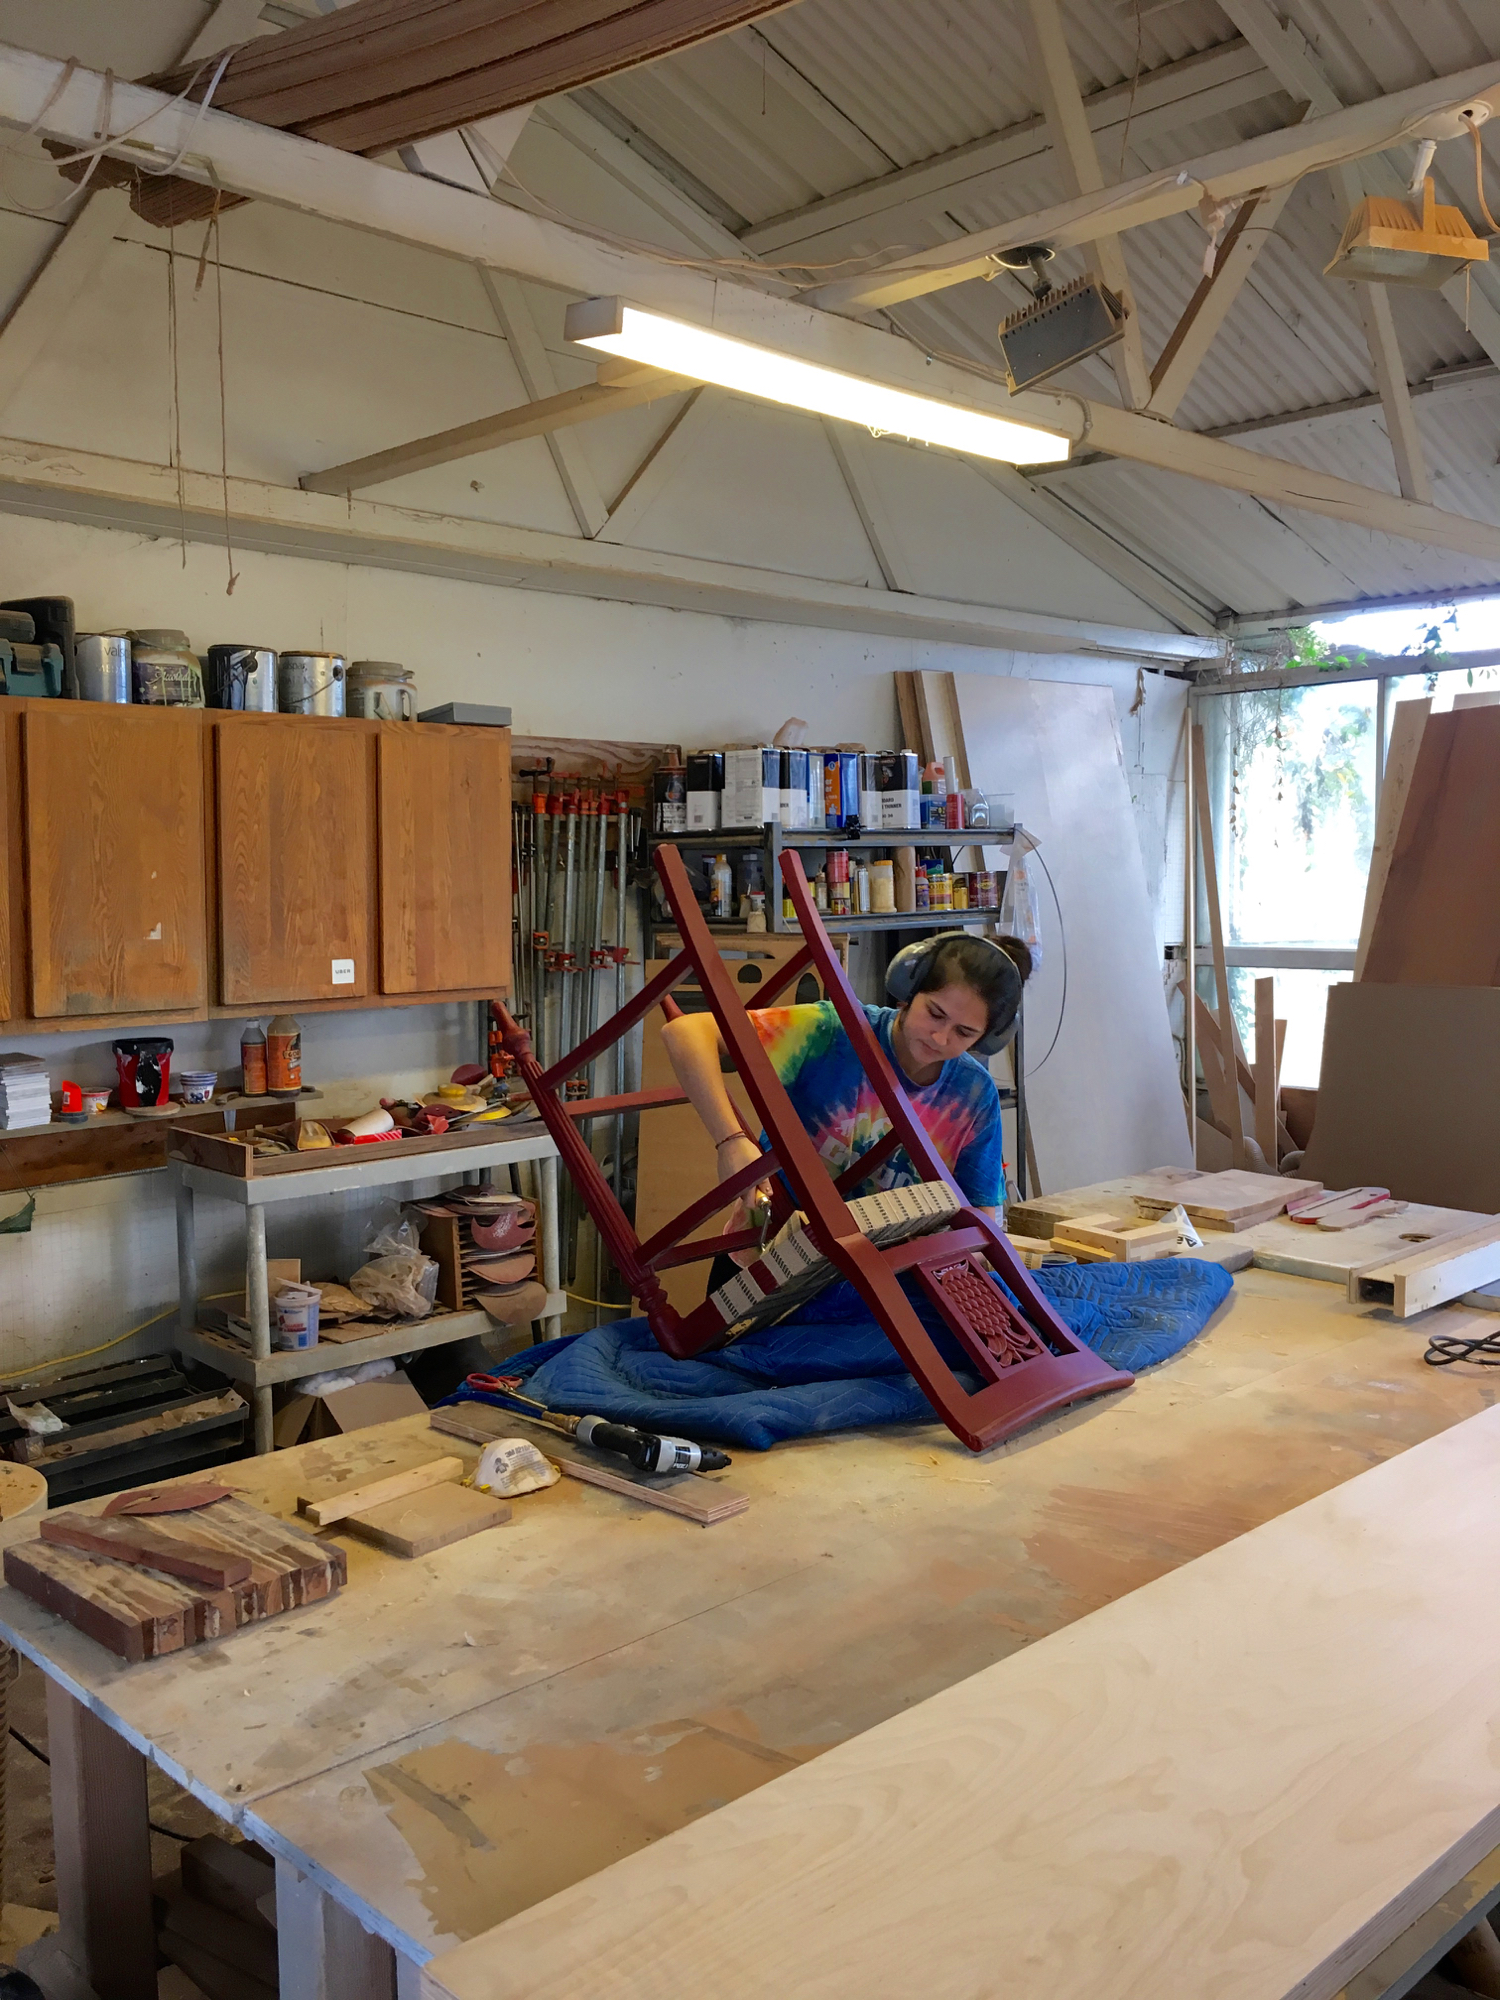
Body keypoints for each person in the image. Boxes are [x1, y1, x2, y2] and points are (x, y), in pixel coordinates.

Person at [660, 933, 1028, 1267]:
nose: (941, 1038)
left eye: (964, 1032)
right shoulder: (835, 1031)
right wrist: (731, 1142)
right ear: (909, 989)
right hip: (767, 1256)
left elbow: (981, 1213)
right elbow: (686, 1034)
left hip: (882, 1278)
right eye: (935, 1013)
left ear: (986, 1038)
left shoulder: (974, 1093)